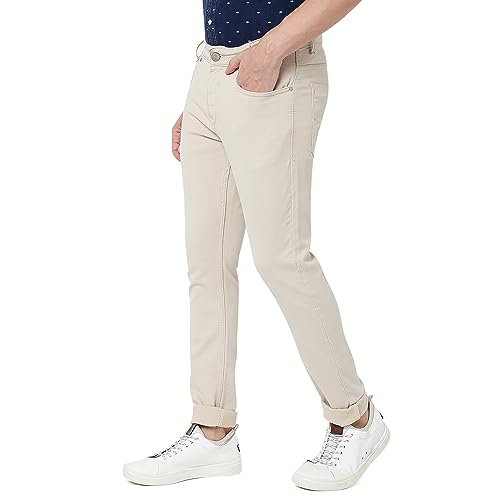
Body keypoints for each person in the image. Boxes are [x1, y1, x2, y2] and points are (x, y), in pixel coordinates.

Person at [123, 0, 389, 491]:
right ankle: (213, 430)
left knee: (282, 258)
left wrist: (270, 51)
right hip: (212, 72)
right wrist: (206, 97)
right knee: (207, 264)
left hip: (276, 70)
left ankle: (356, 419)